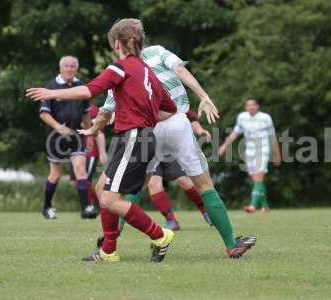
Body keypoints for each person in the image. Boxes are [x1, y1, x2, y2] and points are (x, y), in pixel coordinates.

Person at [92, 19, 256, 259]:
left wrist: (95, 127)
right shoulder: (158, 52)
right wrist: (204, 96)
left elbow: (108, 108)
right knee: (204, 185)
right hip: (177, 123)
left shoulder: (119, 68)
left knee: (128, 188)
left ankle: (109, 242)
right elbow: (180, 70)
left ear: (118, 43)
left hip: (146, 130)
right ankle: (231, 244)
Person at [27, 19, 178, 263]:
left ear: (117, 43)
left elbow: (88, 91)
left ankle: (160, 235)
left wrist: (51, 93)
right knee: (100, 189)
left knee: (109, 199)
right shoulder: (147, 71)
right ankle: (108, 251)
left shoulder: (121, 67)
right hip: (136, 137)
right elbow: (170, 109)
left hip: (135, 138)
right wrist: (142, 118)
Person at [38, 55, 97, 220]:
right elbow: (43, 114)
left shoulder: (81, 87)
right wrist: (58, 127)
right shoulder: (51, 86)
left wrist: (90, 134)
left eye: (72, 66)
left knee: (80, 169)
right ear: (60, 68)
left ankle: (86, 208)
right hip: (55, 139)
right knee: (55, 174)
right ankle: (47, 207)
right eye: (66, 66)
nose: (69, 69)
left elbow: (86, 114)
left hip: (77, 137)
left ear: (76, 69)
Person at [219, 97, 281, 213]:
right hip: (249, 151)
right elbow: (235, 133)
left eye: (253, 104)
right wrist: (224, 146)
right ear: (246, 107)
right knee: (257, 180)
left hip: (262, 149)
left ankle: (253, 205)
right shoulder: (242, 117)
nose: (251, 107)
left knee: (258, 177)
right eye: (249, 105)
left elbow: (272, 136)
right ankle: (265, 206)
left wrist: (277, 154)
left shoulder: (265, 118)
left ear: (257, 106)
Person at [70, 104, 108, 208]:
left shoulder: (94, 110)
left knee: (84, 179)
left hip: (90, 150)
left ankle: (89, 205)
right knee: (74, 182)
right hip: (76, 149)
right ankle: (100, 203)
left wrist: (102, 152)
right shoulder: (70, 107)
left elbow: (99, 132)